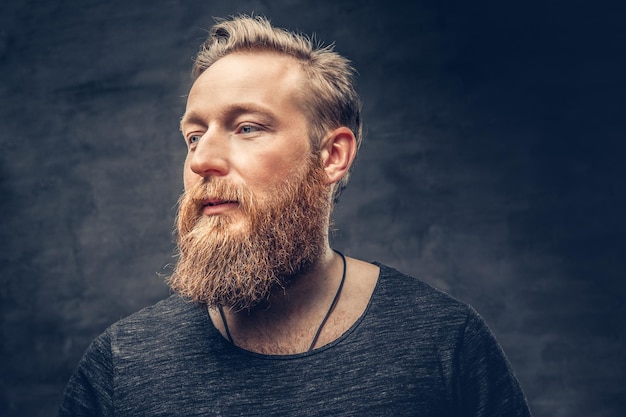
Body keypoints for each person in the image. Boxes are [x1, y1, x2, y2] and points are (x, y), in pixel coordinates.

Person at [57, 15, 532, 416]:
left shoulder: (444, 342)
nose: (202, 160)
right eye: (194, 136)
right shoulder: (124, 361)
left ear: (331, 156)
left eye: (246, 127)